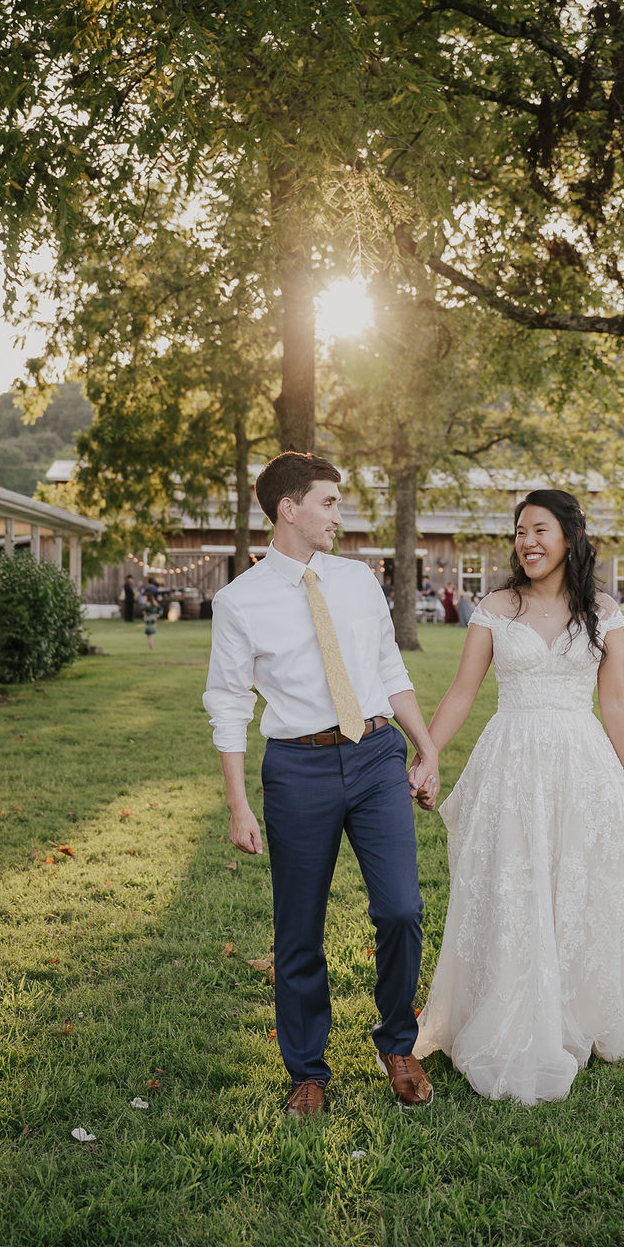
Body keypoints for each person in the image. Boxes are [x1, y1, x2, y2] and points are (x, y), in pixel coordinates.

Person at [414, 488, 624, 1105]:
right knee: (512, 884)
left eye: (539, 529)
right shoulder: (495, 607)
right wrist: (428, 754)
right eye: (518, 532)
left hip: (580, 763)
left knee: (574, 884)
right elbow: (462, 692)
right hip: (509, 762)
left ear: (569, 536)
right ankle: (508, 1009)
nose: (527, 542)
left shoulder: (602, 611)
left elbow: (614, 702)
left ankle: (570, 1010)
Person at [203, 452, 441, 1121]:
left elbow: (389, 666)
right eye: (330, 502)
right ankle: (307, 1071)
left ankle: (397, 1043)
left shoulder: (359, 582)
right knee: (298, 931)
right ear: (290, 508)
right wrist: (237, 804)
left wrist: (425, 749)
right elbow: (226, 705)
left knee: (401, 909)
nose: (341, 514)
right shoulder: (238, 602)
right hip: (297, 768)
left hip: (374, 758)